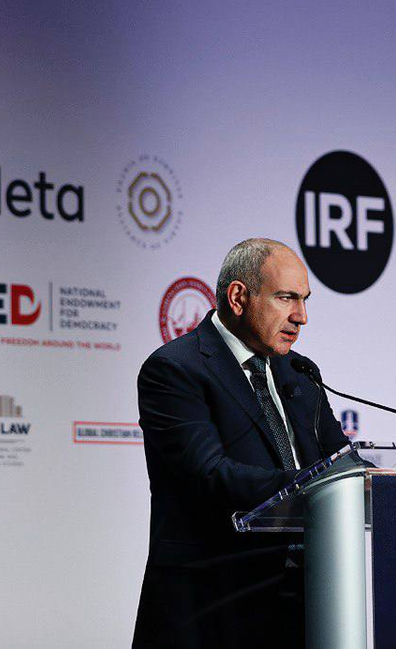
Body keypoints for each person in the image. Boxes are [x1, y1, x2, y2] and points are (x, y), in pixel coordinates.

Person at [133, 238, 351, 647]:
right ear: (238, 297)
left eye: (304, 300)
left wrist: (378, 482)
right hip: (213, 608)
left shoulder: (299, 371)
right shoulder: (175, 369)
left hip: (306, 604)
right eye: (286, 298)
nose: (301, 316)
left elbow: (339, 460)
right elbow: (210, 475)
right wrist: (315, 486)